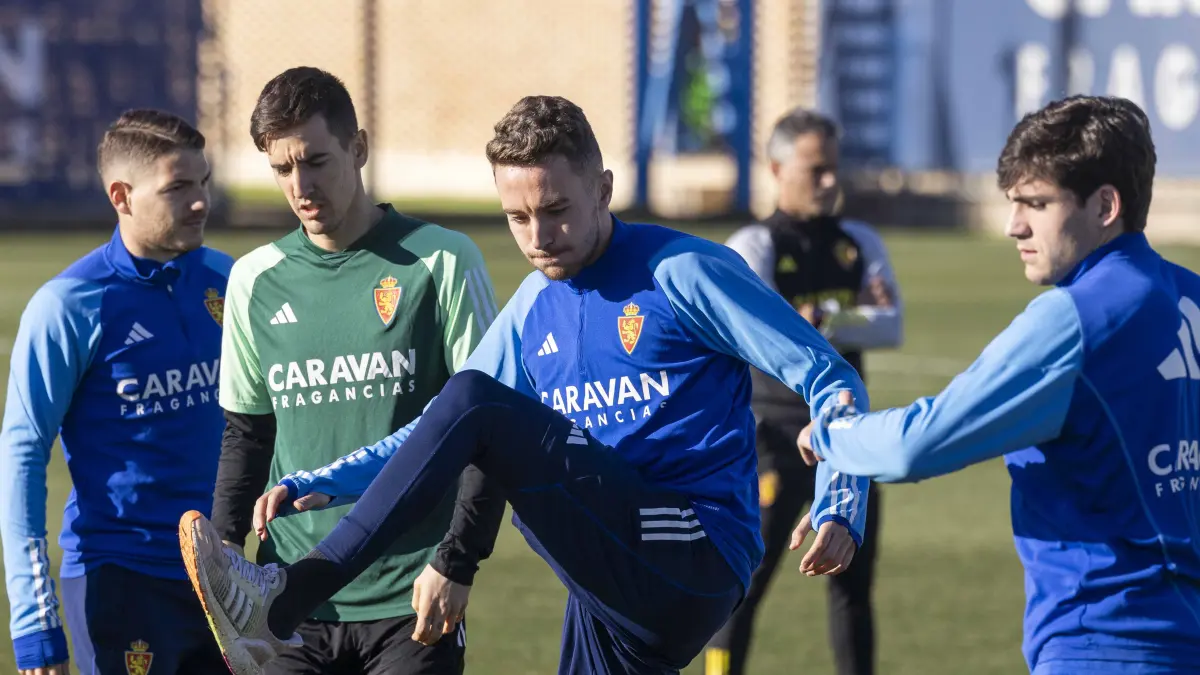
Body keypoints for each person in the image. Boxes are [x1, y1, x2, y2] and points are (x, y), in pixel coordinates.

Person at [180, 94, 874, 675]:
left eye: (557, 208)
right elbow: (441, 428)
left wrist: (842, 499)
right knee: (473, 405)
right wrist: (325, 481)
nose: (539, 236)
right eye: (518, 217)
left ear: (603, 189)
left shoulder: (683, 270)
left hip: (695, 550)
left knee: (481, 403)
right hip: (608, 579)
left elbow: (829, 373)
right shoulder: (534, 306)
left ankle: (285, 602)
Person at [797, 95, 1200, 674]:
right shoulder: (1190, 296)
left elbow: (921, 442)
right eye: (1013, 203)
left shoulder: (1075, 318)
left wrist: (834, 434)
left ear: (1105, 205)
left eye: (1036, 203)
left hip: (1103, 643)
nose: (1014, 226)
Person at [207, 66, 501, 675]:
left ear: (359, 148)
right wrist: (226, 553)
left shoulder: (443, 260)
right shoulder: (253, 281)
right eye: (282, 169)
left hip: (411, 595)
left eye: (316, 161)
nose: (300, 186)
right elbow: (248, 433)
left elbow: (489, 428)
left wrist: (456, 562)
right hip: (289, 594)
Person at [0, 109, 231, 675]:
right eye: (178, 188)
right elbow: (23, 453)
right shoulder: (69, 304)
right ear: (121, 196)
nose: (200, 202)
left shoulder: (229, 280)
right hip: (121, 581)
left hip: (227, 577)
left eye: (203, 182)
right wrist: (33, 618)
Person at [705, 108, 901, 675]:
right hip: (770, 438)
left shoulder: (858, 241)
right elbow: (756, 330)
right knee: (741, 586)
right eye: (816, 169)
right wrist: (850, 314)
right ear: (776, 169)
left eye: (834, 167)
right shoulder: (753, 243)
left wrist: (822, 315)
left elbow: (892, 324)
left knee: (852, 590)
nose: (830, 181)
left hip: (847, 438)